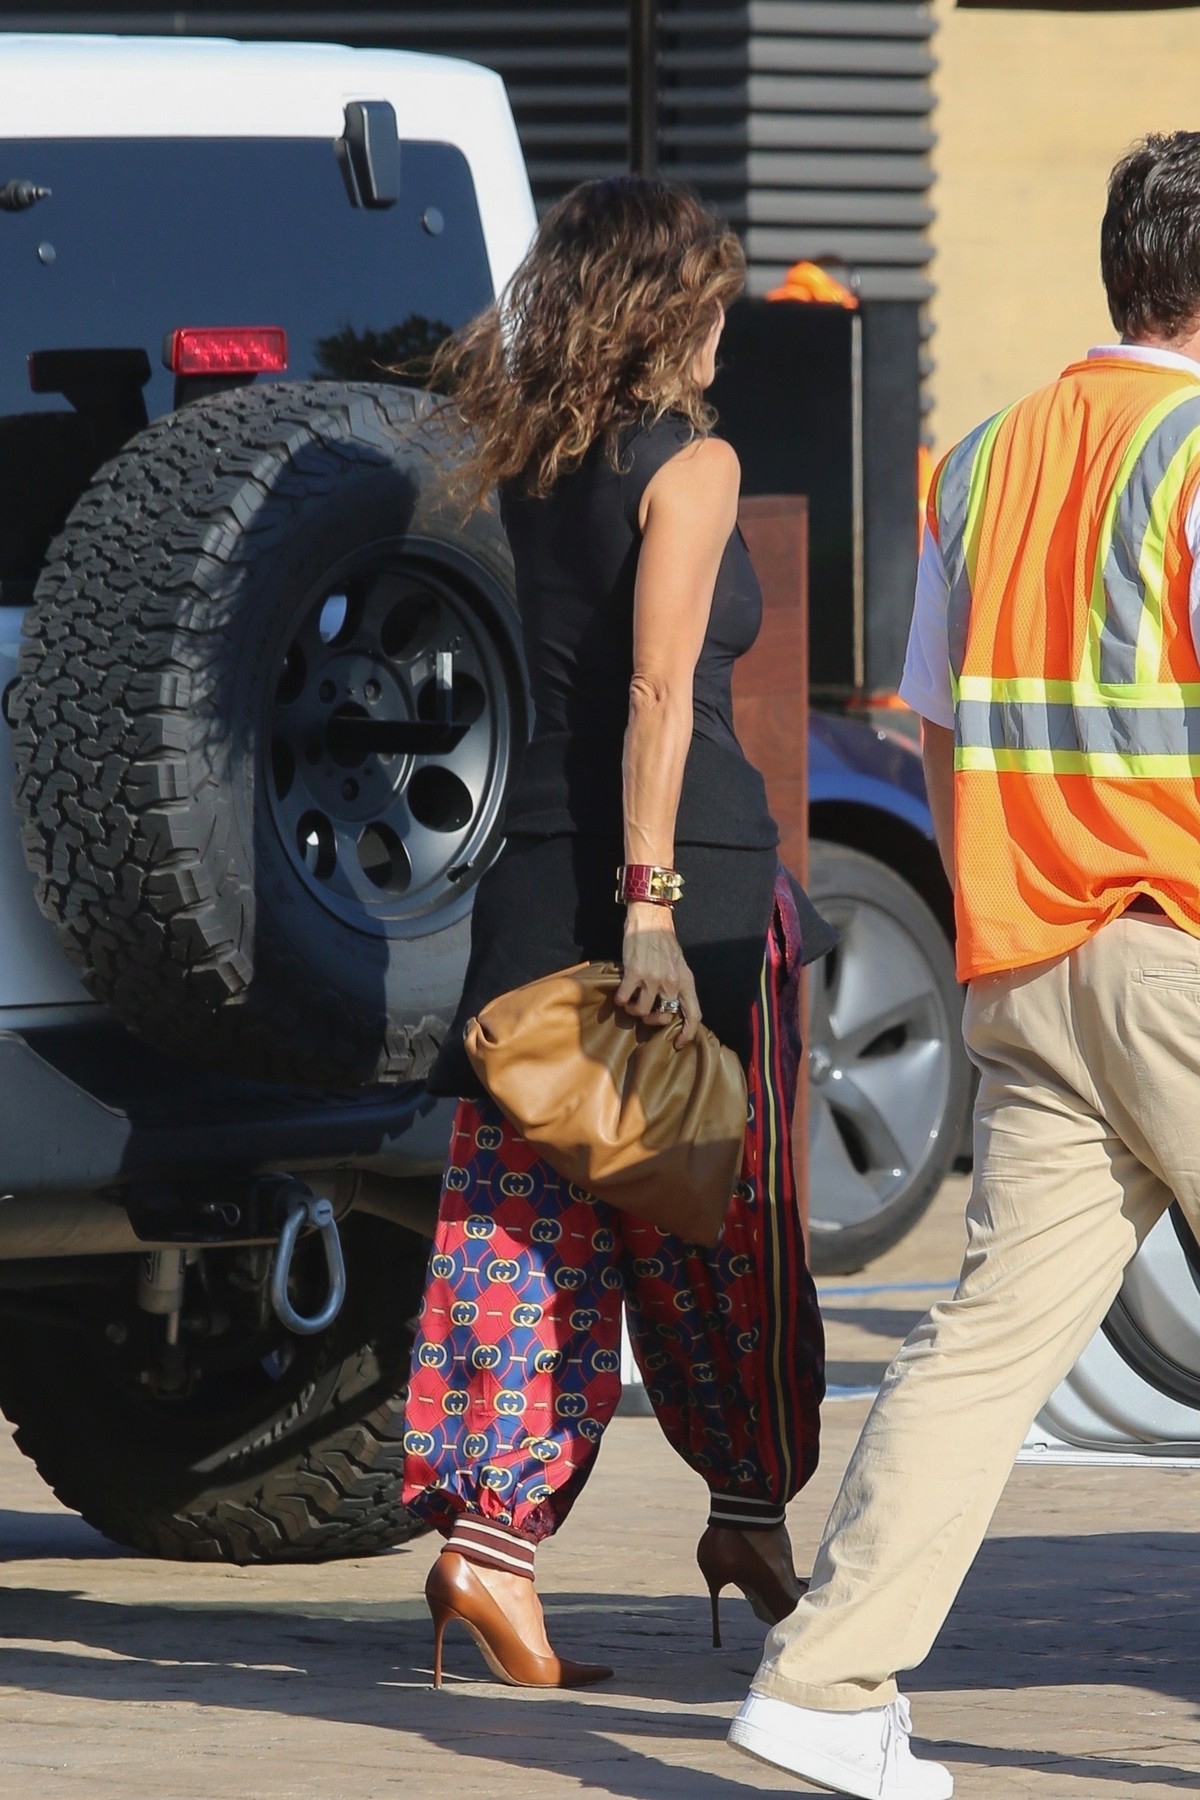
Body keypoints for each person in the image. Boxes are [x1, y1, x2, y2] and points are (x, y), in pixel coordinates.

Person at [728, 129, 1200, 1799]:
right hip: (1183, 957)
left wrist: (1010, 923)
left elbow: (933, 727)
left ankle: (830, 1681)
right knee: (996, 1340)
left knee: (991, 1342)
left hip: (1035, 965)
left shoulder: (989, 457)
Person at [400, 175, 832, 1689]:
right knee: (721, 1222)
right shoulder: (693, 465)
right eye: (710, 291)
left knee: (526, 1233)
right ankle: (747, 1507)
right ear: (661, 306)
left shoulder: (523, 461)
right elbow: (658, 697)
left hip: (525, 887)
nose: (727, 320)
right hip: (682, 896)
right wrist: (652, 910)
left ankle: (493, 1550)